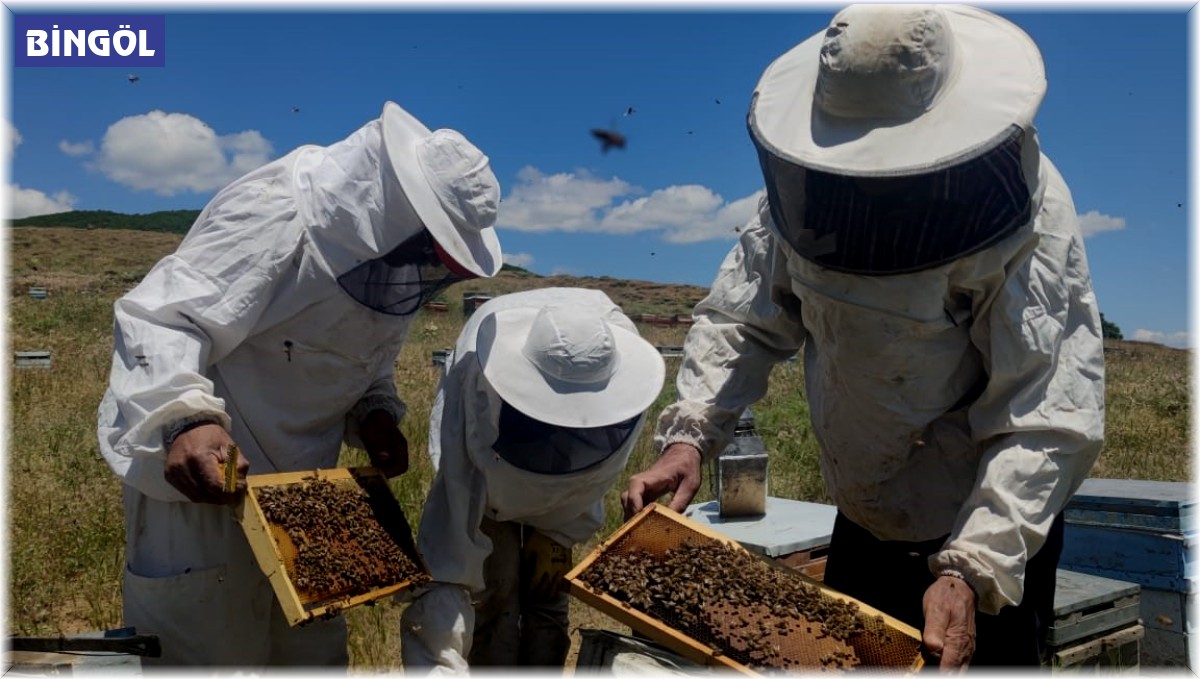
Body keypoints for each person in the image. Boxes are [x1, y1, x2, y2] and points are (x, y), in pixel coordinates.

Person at [622, 4, 1104, 671]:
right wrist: (691, 435)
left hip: (983, 532)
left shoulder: (1029, 215)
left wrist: (973, 566)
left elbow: (1046, 408)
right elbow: (743, 317)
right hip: (864, 517)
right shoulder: (808, 188)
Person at [96, 101, 504, 667]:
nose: (422, 265)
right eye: (424, 247)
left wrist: (374, 411)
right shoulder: (274, 210)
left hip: (303, 499)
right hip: (208, 480)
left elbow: (365, 353)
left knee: (310, 657)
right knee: (208, 655)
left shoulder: (385, 263)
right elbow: (164, 316)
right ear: (393, 209)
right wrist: (184, 417)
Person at [400, 287, 666, 672]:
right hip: (488, 488)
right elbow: (450, 556)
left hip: (561, 497)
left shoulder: (608, 357)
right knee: (494, 593)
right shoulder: (474, 379)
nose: (565, 431)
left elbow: (592, 477)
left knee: (548, 599)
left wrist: (560, 533)